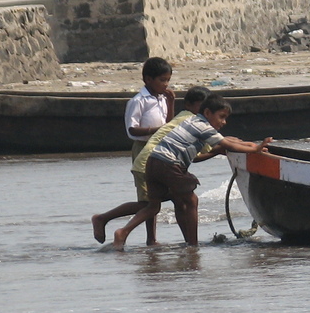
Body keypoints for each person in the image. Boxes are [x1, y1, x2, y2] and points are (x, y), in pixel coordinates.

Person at [112, 95, 272, 250]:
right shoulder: (204, 127)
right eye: (221, 117)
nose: (224, 122)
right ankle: (193, 245)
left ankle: (123, 232)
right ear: (207, 113)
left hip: (153, 162)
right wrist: (256, 149)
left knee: (153, 207)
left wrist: (250, 146)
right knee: (191, 200)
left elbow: (202, 154)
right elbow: (228, 145)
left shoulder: (191, 121)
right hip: (169, 163)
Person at [91, 57, 175, 244]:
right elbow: (132, 130)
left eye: (168, 80)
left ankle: (151, 239)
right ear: (148, 79)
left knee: (154, 197)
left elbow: (168, 125)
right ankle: (103, 218)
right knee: (148, 201)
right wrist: (156, 130)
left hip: (159, 148)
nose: (166, 84)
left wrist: (171, 103)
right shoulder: (138, 101)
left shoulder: (162, 99)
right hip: (143, 150)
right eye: (162, 80)